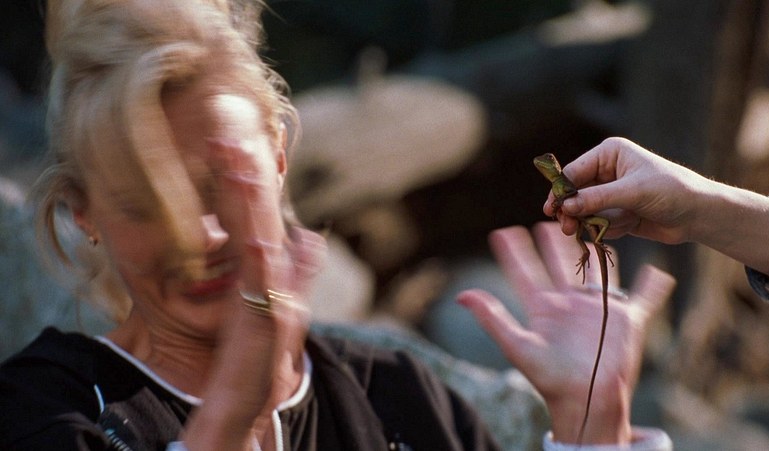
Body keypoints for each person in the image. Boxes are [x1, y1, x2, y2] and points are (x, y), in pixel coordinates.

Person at [0, 1, 675, 449]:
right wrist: (231, 415)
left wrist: (593, 424)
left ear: (278, 160)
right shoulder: (39, 412)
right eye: (146, 203)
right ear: (83, 213)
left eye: (221, 187)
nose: (201, 234)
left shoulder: (397, 398)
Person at [544, 136, 769, 344]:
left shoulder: (565, 183)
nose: (542, 164)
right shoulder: (560, 185)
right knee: (581, 232)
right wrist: (698, 208)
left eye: (547, 162)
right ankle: (589, 249)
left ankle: (594, 247)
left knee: (599, 227)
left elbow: (578, 201)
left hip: (594, 223)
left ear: (554, 166)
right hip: (586, 223)